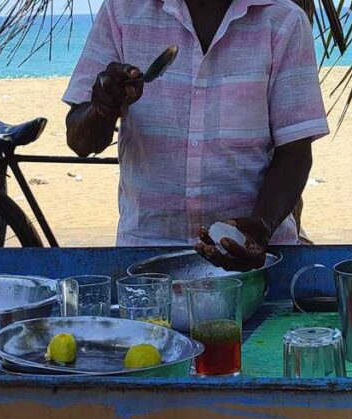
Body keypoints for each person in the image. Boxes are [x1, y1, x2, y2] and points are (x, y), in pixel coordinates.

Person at [63, 0, 329, 271]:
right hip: (146, 261)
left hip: (255, 262)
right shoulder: (121, 11)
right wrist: (102, 108)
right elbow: (80, 142)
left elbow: (294, 152)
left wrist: (262, 225)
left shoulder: (283, 20)